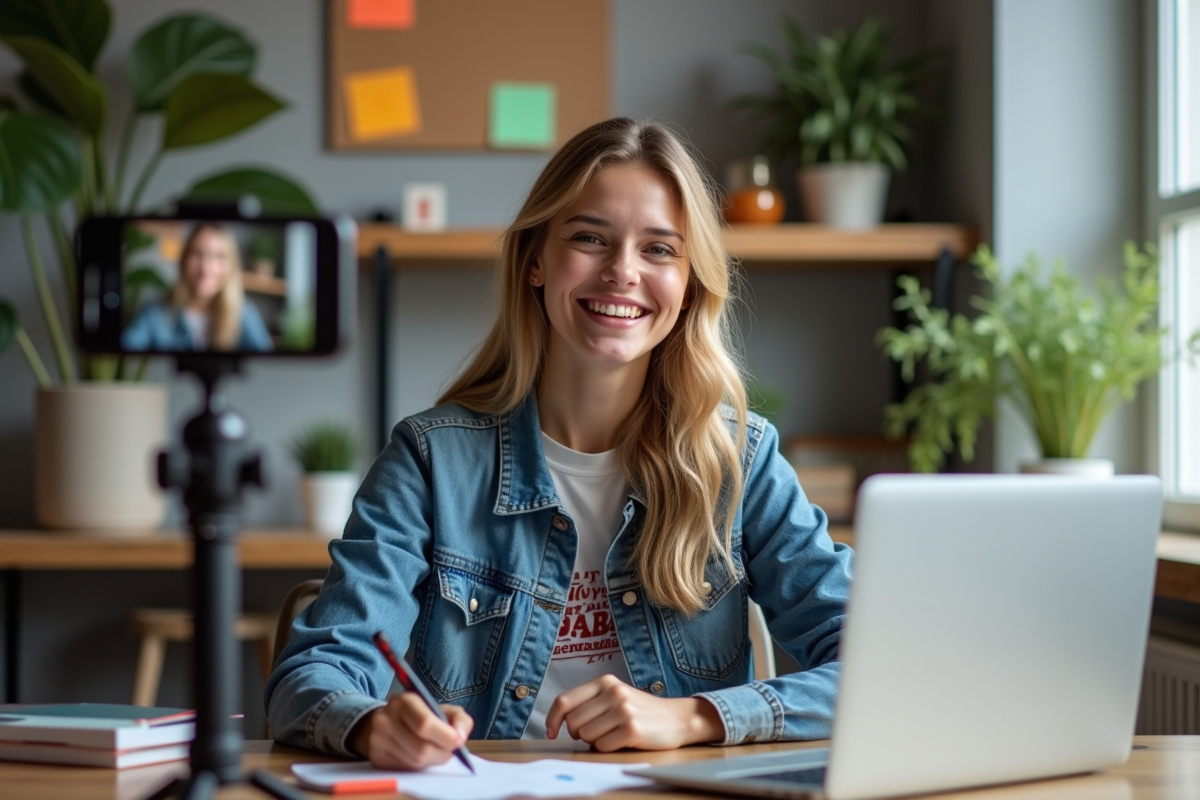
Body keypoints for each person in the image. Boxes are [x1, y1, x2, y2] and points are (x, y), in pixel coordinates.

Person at [265, 117, 852, 767]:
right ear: (536, 261)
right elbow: (311, 676)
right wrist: (374, 724)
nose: (622, 271)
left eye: (659, 249)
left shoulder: (739, 462)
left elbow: (879, 659)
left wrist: (697, 717)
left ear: (689, 286)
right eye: (589, 238)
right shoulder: (431, 462)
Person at [122, 222, 273, 353]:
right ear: (184, 260)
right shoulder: (155, 314)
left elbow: (268, 367)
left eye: (218, 256)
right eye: (197, 254)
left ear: (231, 266)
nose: (205, 268)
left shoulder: (244, 313)